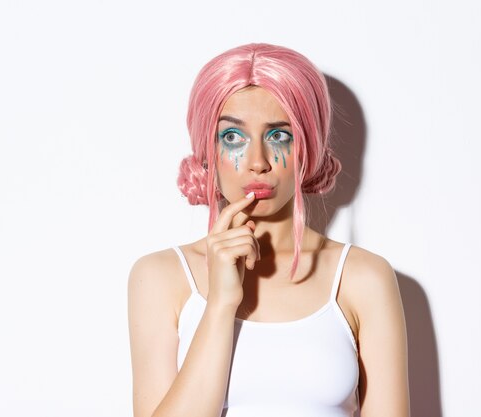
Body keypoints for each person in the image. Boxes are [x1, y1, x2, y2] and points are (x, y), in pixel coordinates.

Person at [127, 43, 410, 417]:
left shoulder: (363, 278)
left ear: (308, 146)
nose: (257, 162)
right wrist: (221, 303)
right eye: (233, 138)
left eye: (280, 136)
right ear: (207, 152)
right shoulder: (161, 277)